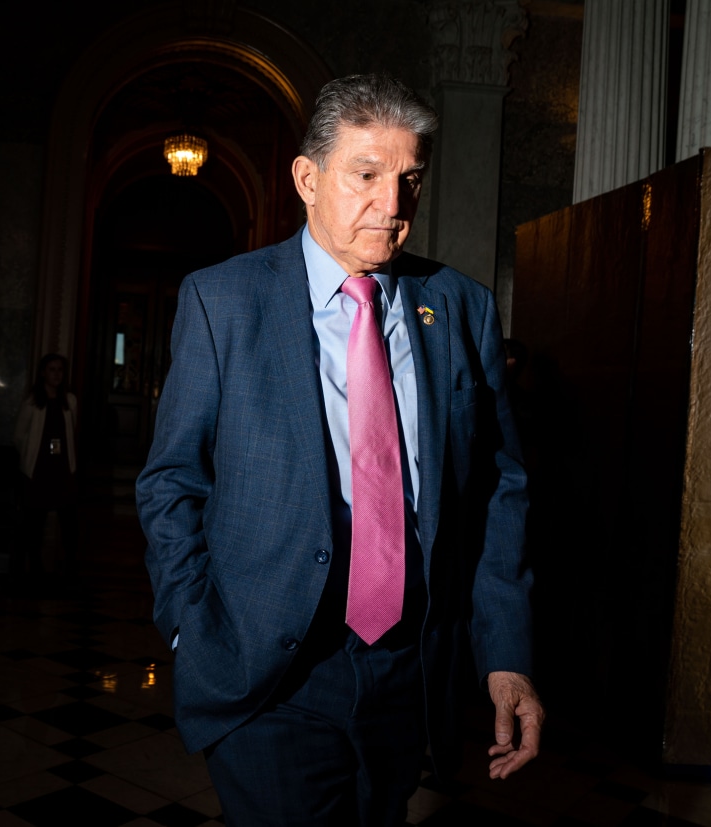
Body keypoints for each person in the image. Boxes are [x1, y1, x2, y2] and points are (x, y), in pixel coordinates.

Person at [135, 74, 544, 826]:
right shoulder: (223, 301)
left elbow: (497, 490)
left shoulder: (461, 308)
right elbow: (171, 482)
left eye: (409, 179)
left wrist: (506, 654)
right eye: (366, 175)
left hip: (407, 671)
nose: (393, 205)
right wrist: (194, 627)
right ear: (307, 179)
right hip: (270, 673)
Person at [14, 353, 79, 581]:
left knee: (68, 520)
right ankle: (34, 568)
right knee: (34, 521)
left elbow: (72, 431)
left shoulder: (69, 401)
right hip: (39, 469)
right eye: (52, 370)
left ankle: (69, 569)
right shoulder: (33, 402)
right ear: (43, 373)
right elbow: (19, 436)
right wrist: (29, 458)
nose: (56, 374)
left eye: (59, 370)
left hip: (62, 469)